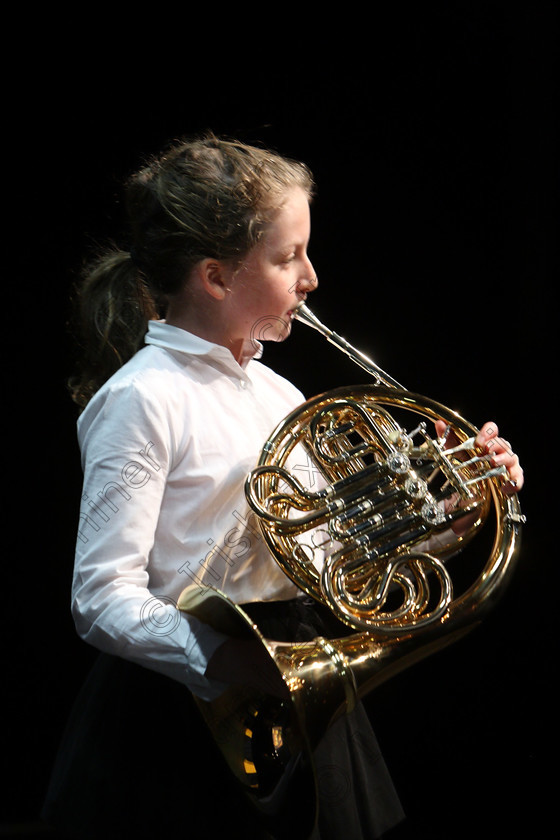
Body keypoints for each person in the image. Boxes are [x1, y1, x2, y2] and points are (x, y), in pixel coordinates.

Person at [42, 134, 524, 840]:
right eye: (287, 256)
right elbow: (100, 597)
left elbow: (331, 559)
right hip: (186, 714)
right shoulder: (143, 398)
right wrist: (235, 663)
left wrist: (452, 513)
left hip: (297, 680)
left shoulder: (276, 392)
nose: (311, 278)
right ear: (215, 276)